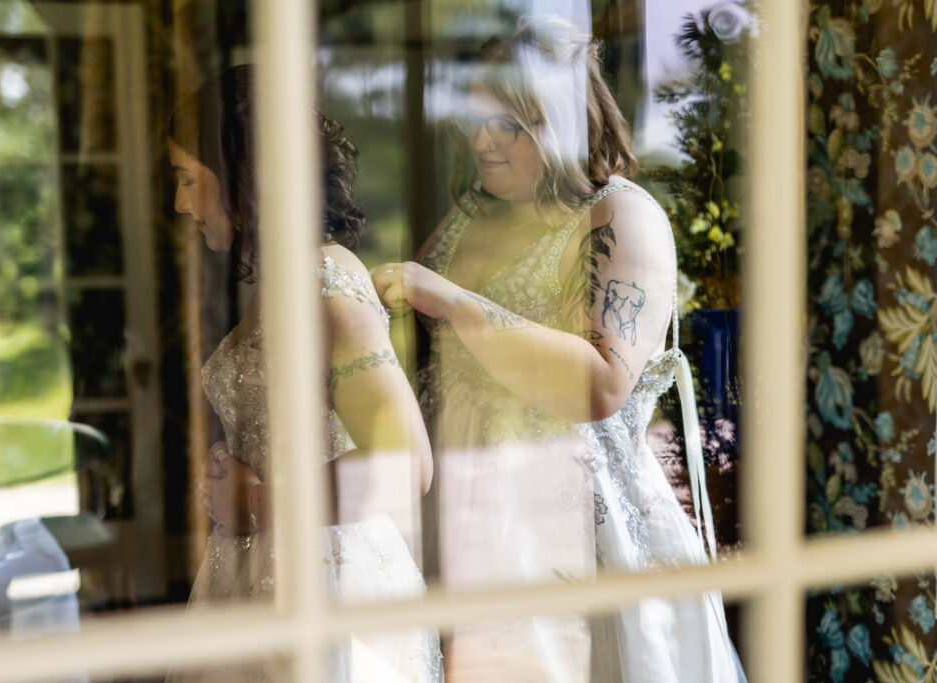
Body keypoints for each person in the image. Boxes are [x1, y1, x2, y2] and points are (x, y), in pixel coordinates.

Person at [372, 15, 745, 683]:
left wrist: (452, 300)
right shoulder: (467, 217)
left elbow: (603, 384)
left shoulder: (620, 217)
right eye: (474, 119)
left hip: (573, 532)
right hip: (464, 516)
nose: (483, 141)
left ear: (566, 120)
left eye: (509, 125)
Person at [167, 64, 443, 682]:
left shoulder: (325, 284)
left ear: (242, 175)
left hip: (325, 579)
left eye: (188, 181)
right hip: (262, 565)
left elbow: (407, 464)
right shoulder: (281, 276)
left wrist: (258, 501)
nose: (180, 203)